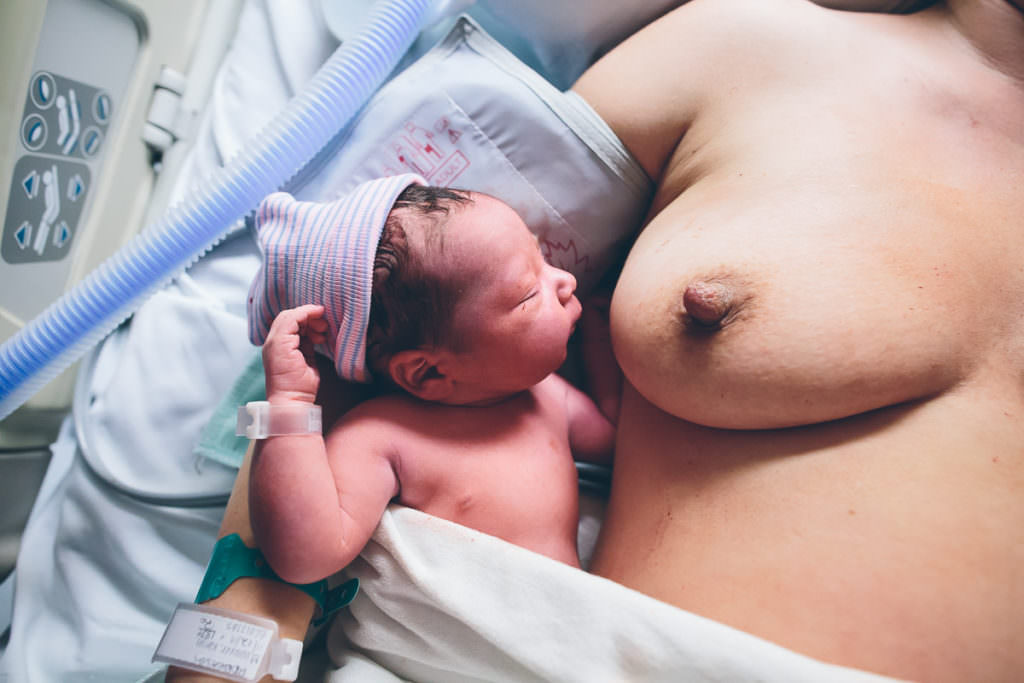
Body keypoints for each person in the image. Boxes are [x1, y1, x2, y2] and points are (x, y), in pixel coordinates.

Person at [171, 0, 1024, 680]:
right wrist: (223, 661)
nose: (560, 283)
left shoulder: (551, 401)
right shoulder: (745, 45)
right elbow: (364, 304)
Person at [244, 176, 615, 584]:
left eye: (540, 255)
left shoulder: (547, 396)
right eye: (529, 293)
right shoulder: (379, 435)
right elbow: (305, 557)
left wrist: (603, 337)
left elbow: (623, 443)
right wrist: (288, 404)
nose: (566, 281)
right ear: (428, 372)